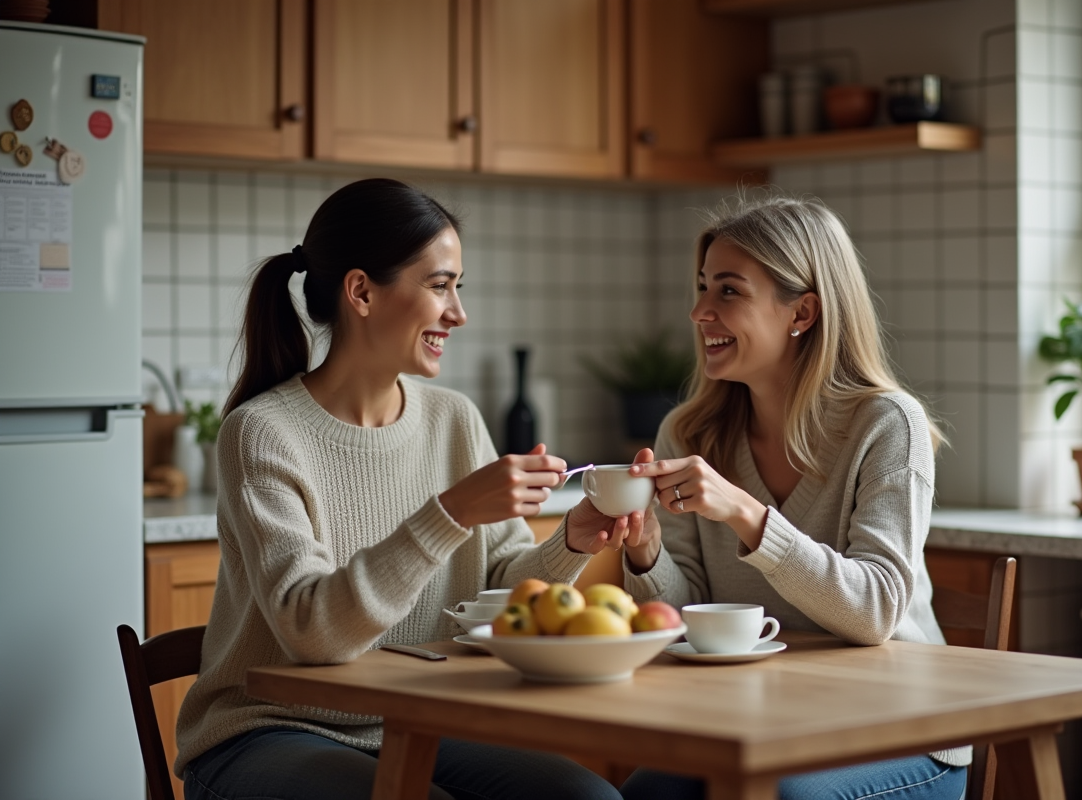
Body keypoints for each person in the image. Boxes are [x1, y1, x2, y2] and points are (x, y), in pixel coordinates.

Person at [175, 178, 629, 800]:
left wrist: (571, 544)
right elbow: (313, 634)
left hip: (421, 720)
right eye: (440, 286)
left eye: (457, 288)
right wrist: (452, 511)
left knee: (589, 798)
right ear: (361, 291)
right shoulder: (261, 434)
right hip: (271, 730)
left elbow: (501, 597)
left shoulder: (454, 419)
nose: (458, 313)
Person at [617, 194, 970, 800]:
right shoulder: (689, 431)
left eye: (728, 291)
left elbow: (877, 611)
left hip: (899, 730)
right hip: (759, 723)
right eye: (702, 288)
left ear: (801, 311)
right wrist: (647, 552)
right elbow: (688, 617)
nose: (700, 311)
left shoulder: (887, 424)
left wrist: (747, 514)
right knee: (646, 793)